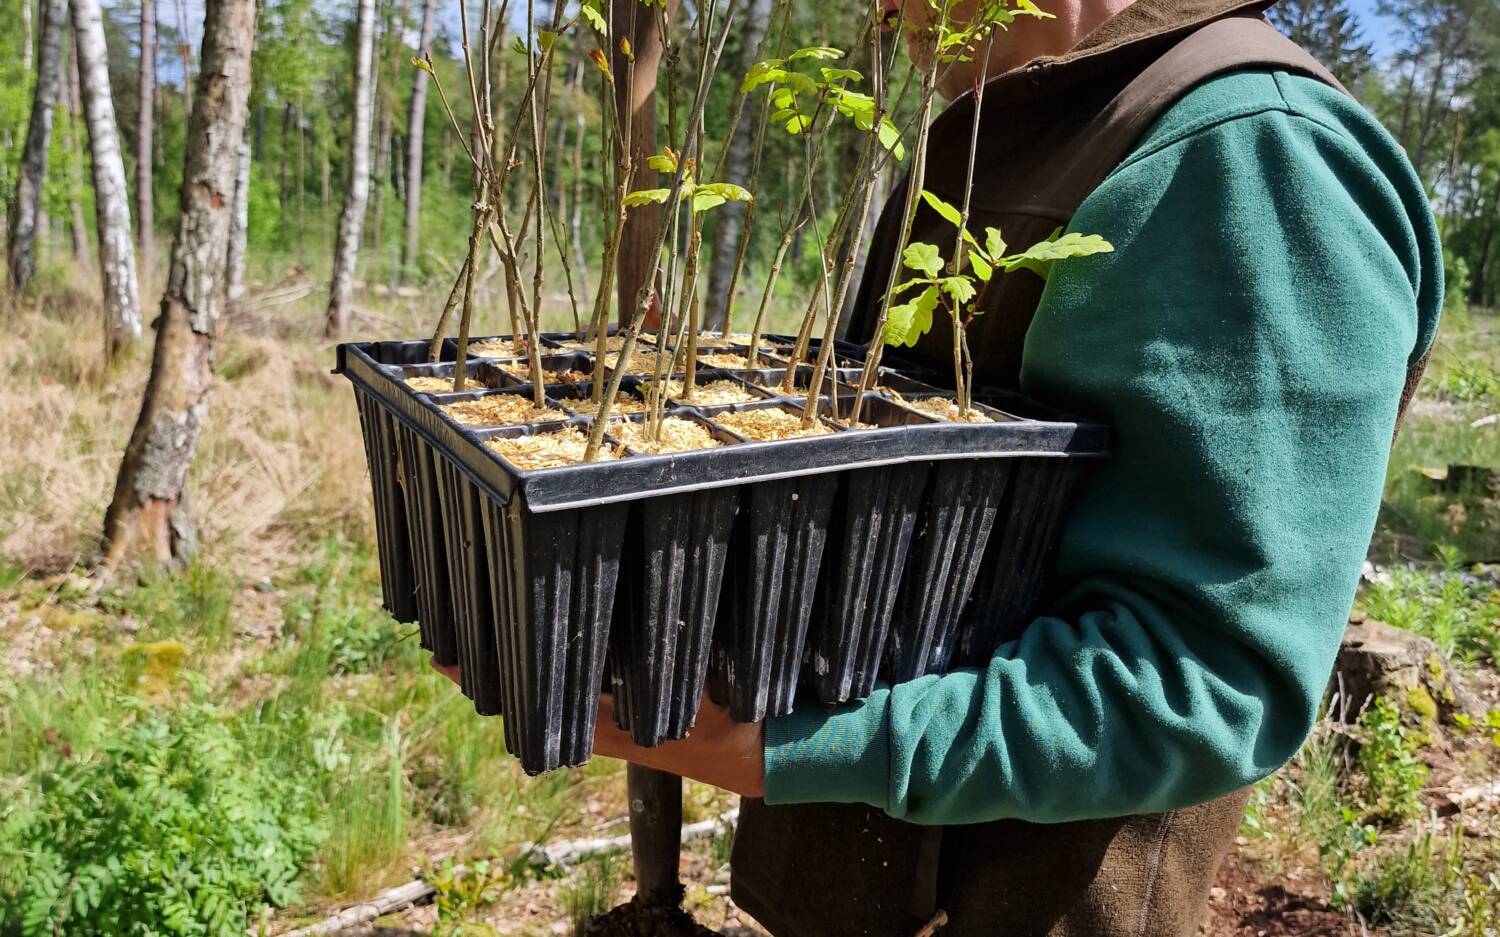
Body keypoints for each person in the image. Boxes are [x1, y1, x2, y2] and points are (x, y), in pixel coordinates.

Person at [440, 0, 1442, 930]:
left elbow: (1206, 681)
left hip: (1020, 902)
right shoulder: (1031, 121)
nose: (882, 12)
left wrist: (784, 746)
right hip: (875, 880)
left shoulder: (1252, 158)